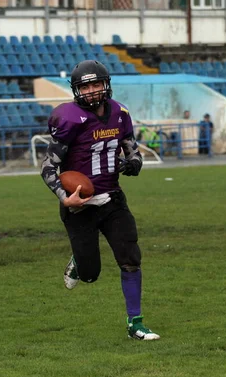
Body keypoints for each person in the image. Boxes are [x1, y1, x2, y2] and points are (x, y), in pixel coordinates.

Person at [40, 60, 160, 340]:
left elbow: (133, 152)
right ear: (76, 90)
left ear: (106, 85)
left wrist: (133, 164)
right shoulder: (68, 118)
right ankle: (79, 261)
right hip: (80, 205)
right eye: (86, 86)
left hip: (113, 200)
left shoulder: (119, 112)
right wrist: (64, 197)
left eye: (96, 84)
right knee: (91, 273)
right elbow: (47, 166)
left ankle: (135, 323)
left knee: (130, 259)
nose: (92, 91)